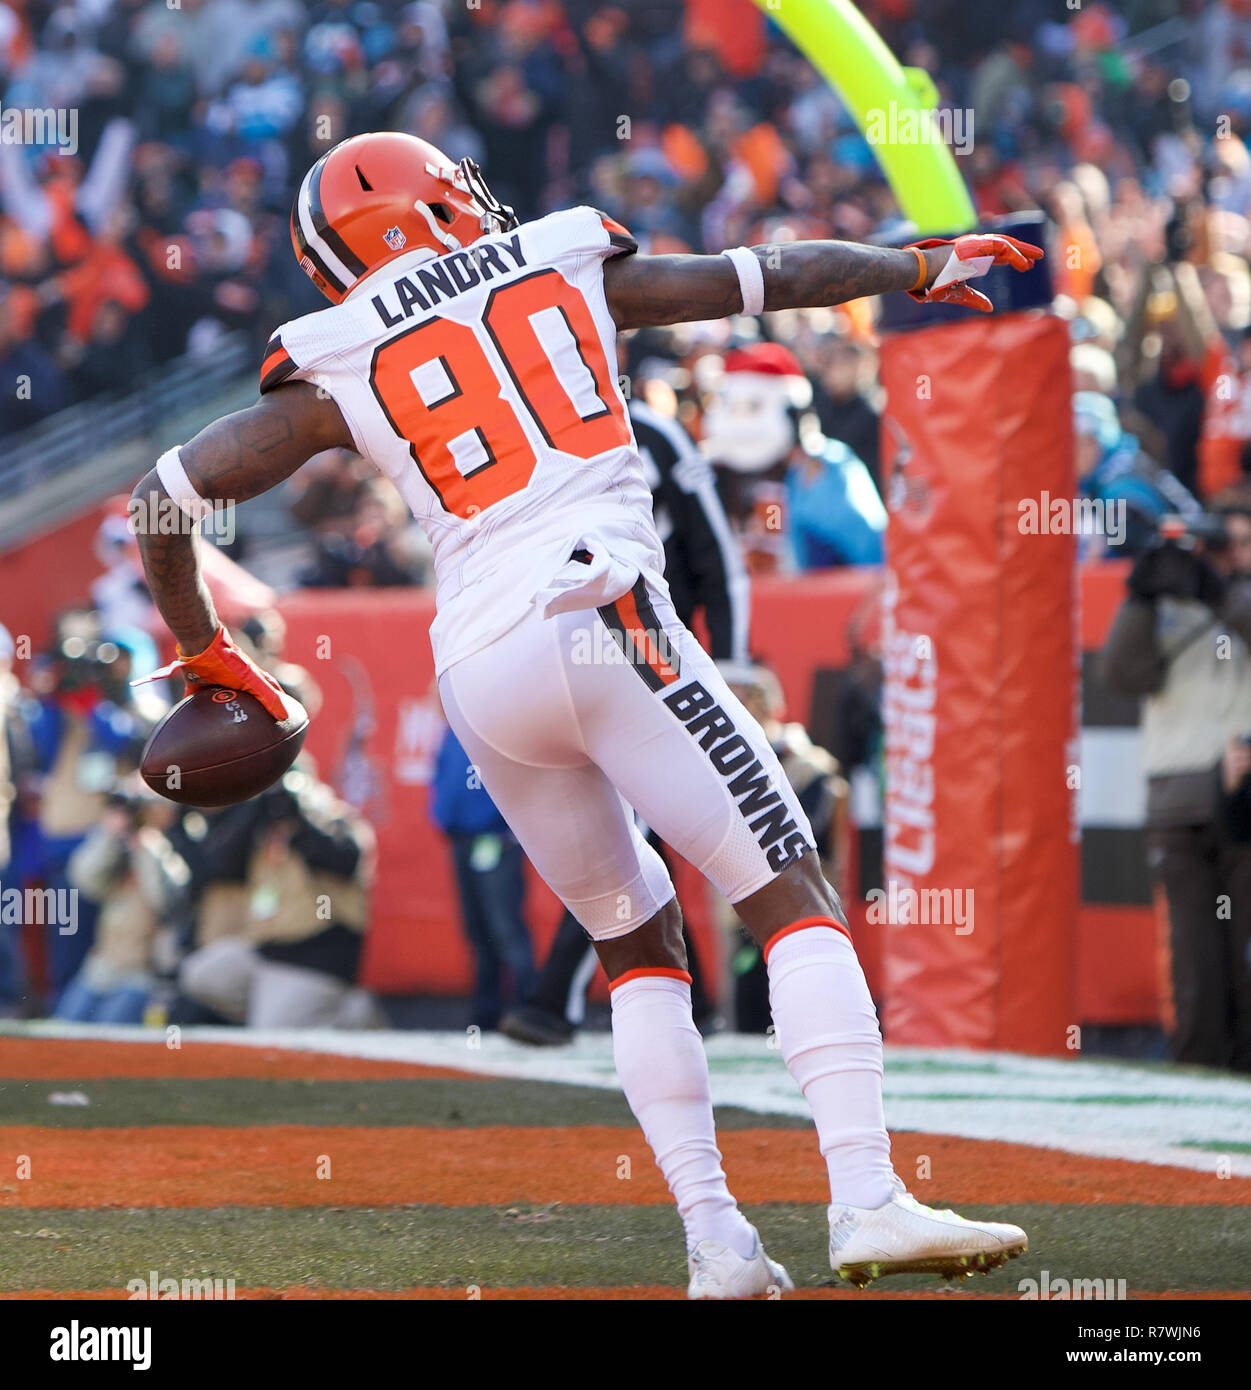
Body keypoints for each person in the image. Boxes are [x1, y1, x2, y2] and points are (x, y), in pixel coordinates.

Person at [129, 131, 1039, 1297]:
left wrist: (208, 654)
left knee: (634, 942)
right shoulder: (557, 257)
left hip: (477, 667)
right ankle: (866, 1196)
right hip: (598, 603)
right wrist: (915, 265)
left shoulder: (335, 354)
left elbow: (161, 500)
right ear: (440, 203)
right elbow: (761, 274)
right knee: (788, 887)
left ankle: (718, 1246)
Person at [500, 395, 745, 1045]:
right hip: (564, 651)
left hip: (651, 650)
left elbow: (716, 557)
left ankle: (553, 999)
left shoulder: (657, 435)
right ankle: (698, 1006)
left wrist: (731, 662)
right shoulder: (537, 430)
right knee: (638, 833)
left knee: (625, 830)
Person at [1096, 497, 1251, 1073]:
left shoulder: (1232, 598)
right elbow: (1119, 673)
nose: (1228, 555)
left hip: (1242, 800)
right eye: (1219, 542)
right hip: (1178, 802)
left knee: (1244, 953)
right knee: (1194, 961)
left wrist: (1218, 591)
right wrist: (1142, 594)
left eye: (1239, 543)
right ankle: (1197, 1079)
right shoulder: (1165, 609)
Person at [430, 712, 537, 1031]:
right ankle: (486, 1015)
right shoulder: (453, 731)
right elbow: (443, 779)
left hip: (496, 841)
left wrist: (504, 827)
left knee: (506, 929)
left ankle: (529, 1012)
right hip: (462, 840)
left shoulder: (501, 728)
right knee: (478, 930)